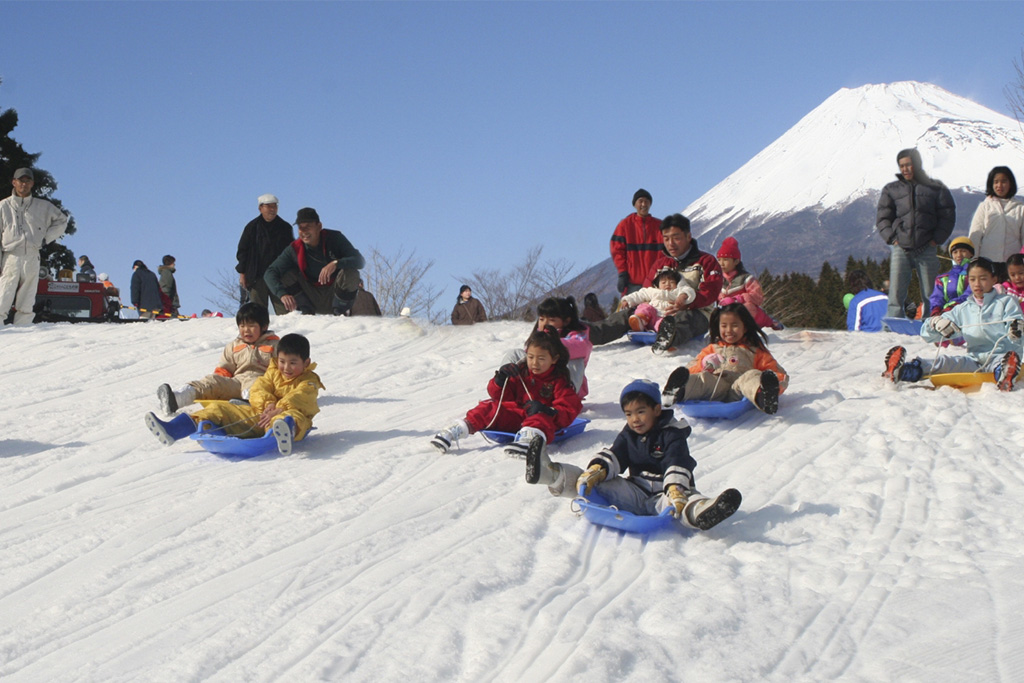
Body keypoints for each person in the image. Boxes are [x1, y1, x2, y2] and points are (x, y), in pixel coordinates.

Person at [524, 379, 742, 531]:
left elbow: (676, 461)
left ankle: (702, 512)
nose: (635, 419)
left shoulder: (672, 434)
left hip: (665, 493)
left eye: (640, 412)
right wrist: (598, 470)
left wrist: (675, 488)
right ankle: (552, 474)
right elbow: (616, 454)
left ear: (656, 410)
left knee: (683, 502)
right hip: (635, 492)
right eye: (629, 414)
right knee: (589, 482)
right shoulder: (630, 434)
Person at [145, 333, 324, 456]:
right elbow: (259, 388)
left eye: (293, 363)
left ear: (306, 362)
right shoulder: (273, 371)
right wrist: (268, 404)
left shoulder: (309, 380)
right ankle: (173, 430)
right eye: (283, 362)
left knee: (292, 416)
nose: (286, 368)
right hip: (261, 415)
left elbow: (302, 396)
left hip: (289, 417)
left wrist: (279, 409)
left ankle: (283, 432)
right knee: (218, 408)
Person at [431, 327, 582, 458]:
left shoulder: (558, 380)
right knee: (489, 407)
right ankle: (457, 430)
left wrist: (548, 411)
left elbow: (569, 408)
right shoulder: (521, 371)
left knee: (538, 416)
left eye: (541, 358)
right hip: (516, 418)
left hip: (543, 422)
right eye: (531, 357)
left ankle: (529, 441)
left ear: (554, 359)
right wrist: (500, 379)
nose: (534, 363)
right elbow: (499, 395)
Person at [883, 257, 1023, 392]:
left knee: (1001, 362)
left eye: (983, 278)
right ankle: (903, 371)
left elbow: (1016, 324)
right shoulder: (963, 309)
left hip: (1002, 355)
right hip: (974, 359)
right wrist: (936, 323)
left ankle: (1005, 372)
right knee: (944, 362)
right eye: (973, 279)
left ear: (994, 279)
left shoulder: (1006, 302)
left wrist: (1015, 330)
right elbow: (926, 334)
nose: (977, 284)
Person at [588, 213, 723, 351]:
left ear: (688, 237)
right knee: (628, 314)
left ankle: (669, 336)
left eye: (676, 238)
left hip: (695, 312)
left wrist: (686, 303)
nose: (671, 243)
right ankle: (587, 334)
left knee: (686, 318)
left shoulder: (706, 262)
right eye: (666, 239)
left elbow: (710, 292)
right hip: (657, 311)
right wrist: (632, 303)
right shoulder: (661, 264)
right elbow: (647, 291)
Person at [660, 303, 789, 414]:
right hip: (716, 386)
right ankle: (677, 392)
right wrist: (704, 364)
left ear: (745, 327)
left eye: (734, 325)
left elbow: (778, 373)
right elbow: (689, 369)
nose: (729, 330)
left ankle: (764, 396)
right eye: (724, 325)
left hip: (739, 389)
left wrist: (774, 384)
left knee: (752, 376)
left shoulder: (755, 350)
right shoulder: (712, 348)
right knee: (703, 378)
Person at [156, 302, 279, 413]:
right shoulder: (234, 346)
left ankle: (248, 405)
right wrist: (218, 386)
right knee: (213, 380)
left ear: (264, 326)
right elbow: (224, 369)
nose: (246, 330)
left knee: (255, 385)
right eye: (242, 326)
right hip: (237, 383)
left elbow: (281, 370)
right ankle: (178, 398)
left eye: (251, 326)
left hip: (262, 384)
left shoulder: (275, 345)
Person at [876, 148, 956, 319]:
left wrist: (936, 240)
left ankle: (932, 323)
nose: (905, 169)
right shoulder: (892, 189)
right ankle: (893, 327)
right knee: (896, 292)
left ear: (917, 165)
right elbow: (883, 218)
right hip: (900, 248)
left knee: (931, 293)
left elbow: (947, 215)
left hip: (926, 247)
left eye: (909, 165)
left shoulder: (935, 188)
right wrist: (892, 238)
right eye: (902, 166)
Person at [264, 207, 365, 316]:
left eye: (308, 227)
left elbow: (359, 260)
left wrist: (336, 263)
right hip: (310, 295)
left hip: (334, 293)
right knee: (285, 275)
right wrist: (282, 294)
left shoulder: (334, 239)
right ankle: (305, 311)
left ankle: (340, 311)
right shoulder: (294, 249)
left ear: (319, 226)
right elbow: (270, 272)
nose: (304, 232)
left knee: (351, 273)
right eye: (301, 228)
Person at [0, 168, 69, 325]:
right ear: (14, 182)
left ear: (32, 183)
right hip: (11, 255)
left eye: (27, 181)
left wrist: (46, 238)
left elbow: (62, 220)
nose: (23, 184)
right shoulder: (3, 207)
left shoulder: (42, 206)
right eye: (20, 181)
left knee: (28, 294)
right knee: (4, 291)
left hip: (32, 254)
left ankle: (23, 327)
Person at [500, 296, 593, 398]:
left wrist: (552, 341)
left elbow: (582, 348)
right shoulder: (537, 338)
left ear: (566, 321)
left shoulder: (577, 337)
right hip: (536, 385)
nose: (545, 323)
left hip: (561, 389)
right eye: (541, 319)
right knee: (515, 353)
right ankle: (505, 385)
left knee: (576, 360)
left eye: (551, 320)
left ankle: (566, 396)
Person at [236, 193, 295, 315]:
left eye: (274, 207)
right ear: (260, 208)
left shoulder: (285, 227)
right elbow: (242, 251)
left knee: (285, 312)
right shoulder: (252, 227)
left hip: (279, 277)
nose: (272, 210)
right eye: (269, 207)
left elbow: (292, 253)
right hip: (256, 277)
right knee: (258, 313)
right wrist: (243, 273)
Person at [967, 166, 1024, 280]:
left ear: (1010, 183)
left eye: (1004, 181)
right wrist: (973, 260)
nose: (1000, 185)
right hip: (987, 261)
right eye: (996, 182)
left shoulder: (1020, 208)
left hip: (1012, 264)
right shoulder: (985, 206)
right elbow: (975, 235)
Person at [715, 236, 783, 329]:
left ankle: (768, 322)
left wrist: (739, 299)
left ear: (736, 261)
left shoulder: (746, 279)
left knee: (747, 308)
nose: (721, 263)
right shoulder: (717, 278)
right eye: (719, 259)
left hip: (746, 311)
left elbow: (758, 297)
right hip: (725, 312)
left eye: (726, 260)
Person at [610, 188, 662, 296]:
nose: (644, 204)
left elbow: (668, 252)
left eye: (647, 201)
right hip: (632, 283)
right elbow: (617, 251)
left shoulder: (659, 226)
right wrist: (622, 273)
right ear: (634, 204)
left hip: (655, 283)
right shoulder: (625, 225)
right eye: (640, 201)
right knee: (630, 312)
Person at [621, 266, 696, 333]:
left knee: (667, 322)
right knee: (644, 306)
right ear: (657, 284)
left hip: (664, 317)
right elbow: (639, 295)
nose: (667, 284)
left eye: (672, 282)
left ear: (677, 284)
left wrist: (683, 296)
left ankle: (665, 333)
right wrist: (627, 300)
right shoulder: (653, 291)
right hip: (650, 316)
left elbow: (688, 290)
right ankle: (640, 320)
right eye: (664, 282)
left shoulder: (676, 292)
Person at [928, 236, 974, 315]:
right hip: (946, 313)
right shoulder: (943, 278)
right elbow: (937, 296)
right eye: (955, 252)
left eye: (963, 251)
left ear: (971, 254)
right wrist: (936, 309)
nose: (959, 255)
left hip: (969, 312)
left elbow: (970, 294)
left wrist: (953, 306)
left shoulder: (974, 275)